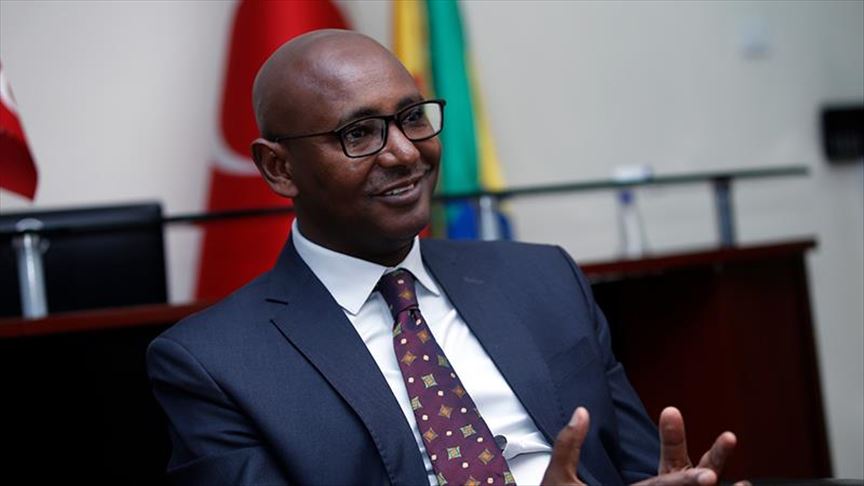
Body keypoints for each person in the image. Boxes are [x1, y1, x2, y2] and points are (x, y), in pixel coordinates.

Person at [147, 29, 740, 485]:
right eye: (359, 134)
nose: (406, 154)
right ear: (279, 168)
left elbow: (636, 466)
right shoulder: (214, 364)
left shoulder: (543, 278)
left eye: (412, 118)